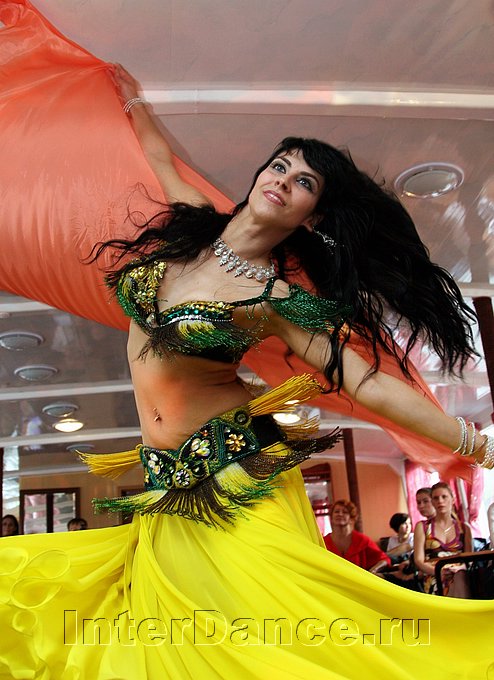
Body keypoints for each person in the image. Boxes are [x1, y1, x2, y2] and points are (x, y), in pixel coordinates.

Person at [1, 56, 494, 679]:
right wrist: (132, 103)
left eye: (304, 182)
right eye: (280, 165)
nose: (284, 180)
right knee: (182, 645)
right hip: (169, 489)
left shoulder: (275, 299)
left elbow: (368, 385)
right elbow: (159, 159)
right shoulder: (190, 226)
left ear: (311, 216)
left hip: (237, 480)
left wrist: (477, 444)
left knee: (254, 641)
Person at [414, 482, 472, 597]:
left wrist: (459, 568)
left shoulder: (464, 528)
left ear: (453, 499)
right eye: (436, 498)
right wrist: (438, 572)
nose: (440, 501)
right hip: (434, 574)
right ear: (432, 502)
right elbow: (419, 560)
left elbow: (469, 560)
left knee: (460, 577)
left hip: (458, 573)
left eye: (444, 497)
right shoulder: (423, 526)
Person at [323, 500, 390, 573]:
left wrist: (373, 570)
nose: (340, 514)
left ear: (351, 517)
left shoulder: (362, 540)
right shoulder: (323, 542)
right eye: (336, 512)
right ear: (331, 517)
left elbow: (384, 559)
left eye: (345, 512)